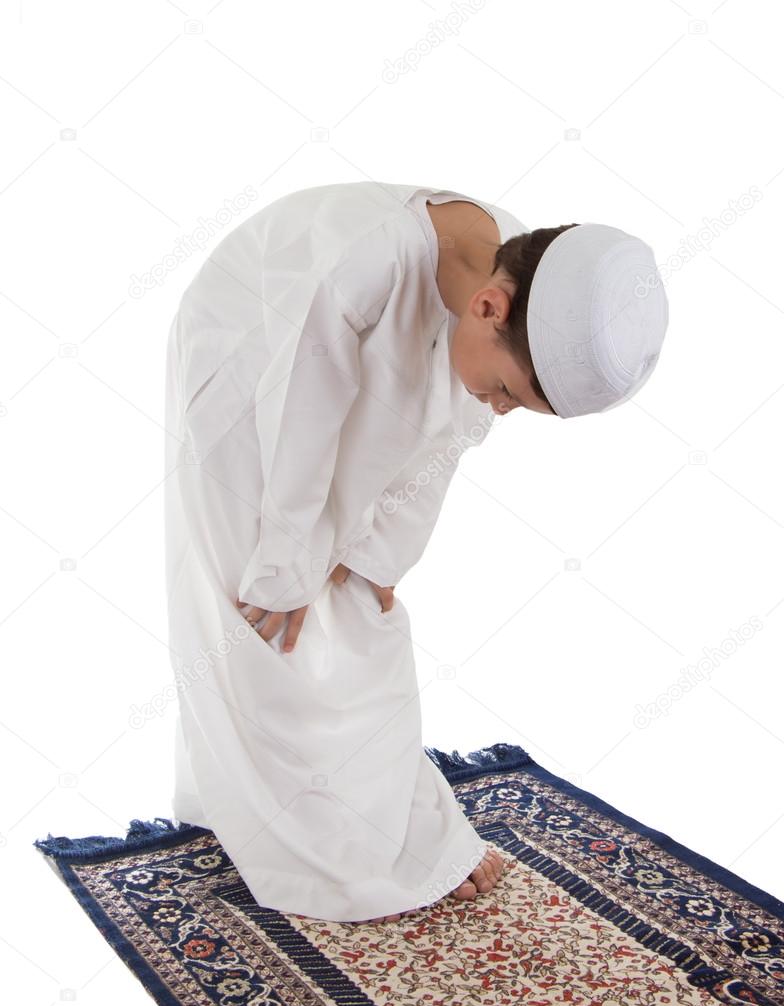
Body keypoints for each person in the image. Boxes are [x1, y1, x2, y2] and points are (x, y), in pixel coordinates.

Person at [164, 181, 668, 924]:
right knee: (260, 615)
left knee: (361, 606)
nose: (499, 412)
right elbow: (301, 421)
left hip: (332, 356)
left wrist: (373, 556)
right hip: (251, 345)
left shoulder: (529, 277)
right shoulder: (363, 265)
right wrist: (288, 564)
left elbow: (442, 435)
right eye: (506, 393)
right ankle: (326, 859)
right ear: (488, 308)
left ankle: (362, 819)